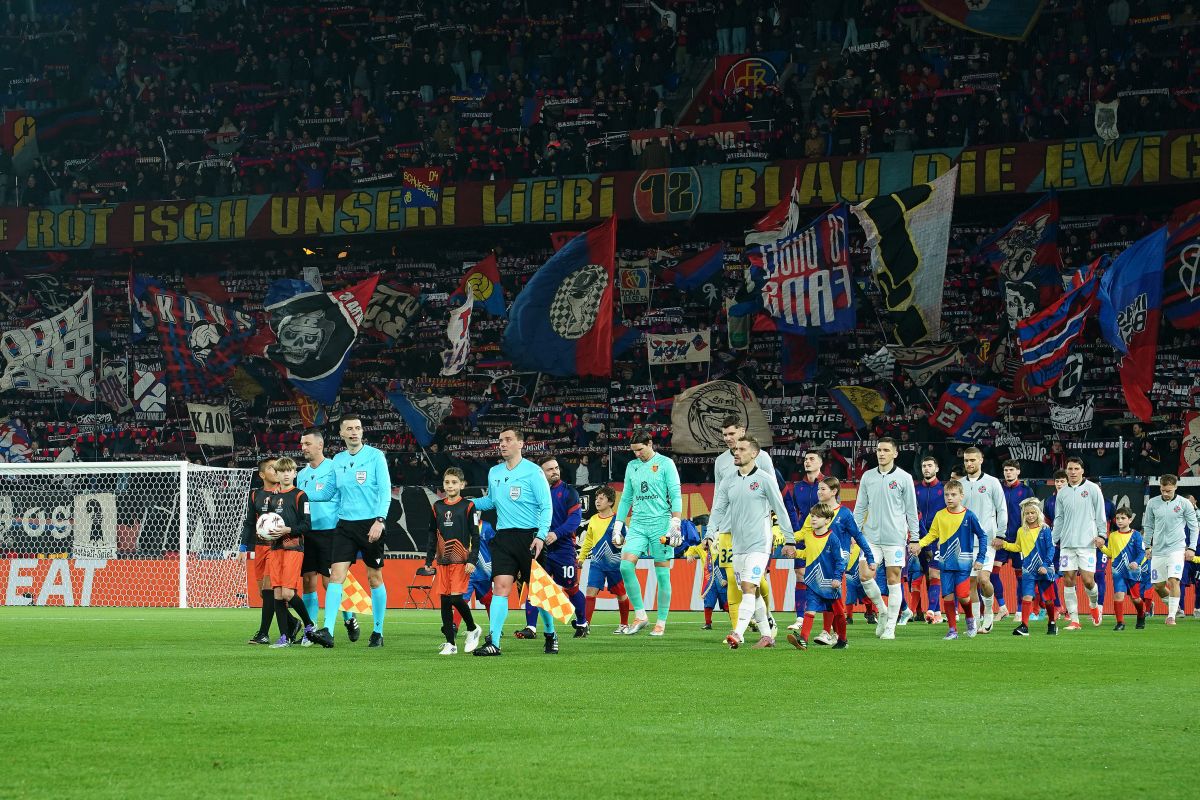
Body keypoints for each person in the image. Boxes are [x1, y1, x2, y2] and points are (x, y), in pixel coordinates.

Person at [470, 427, 553, 656]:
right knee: (500, 588)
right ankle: (494, 643)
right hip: (504, 537)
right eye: (500, 440)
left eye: (507, 440)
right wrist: (465, 504)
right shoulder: (494, 472)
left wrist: (540, 535)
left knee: (537, 592)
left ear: (520, 444)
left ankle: (550, 634)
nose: (502, 444)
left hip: (530, 537)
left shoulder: (534, 472)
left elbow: (547, 506)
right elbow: (491, 502)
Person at [311, 414, 392, 649]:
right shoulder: (337, 460)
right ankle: (327, 630)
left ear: (362, 431)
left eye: (358, 428)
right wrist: (297, 492)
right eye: (350, 428)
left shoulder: (376, 457)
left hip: (371, 524)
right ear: (342, 433)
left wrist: (380, 521)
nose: (354, 432)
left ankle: (378, 631)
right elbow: (327, 493)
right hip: (345, 525)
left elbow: (385, 492)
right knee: (336, 576)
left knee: (374, 577)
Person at [705, 435, 794, 649]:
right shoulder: (728, 480)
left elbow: (780, 510)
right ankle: (766, 635)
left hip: (760, 543)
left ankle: (737, 632)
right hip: (738, 545)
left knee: (747, 586)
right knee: (751, 592)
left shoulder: (764, 479)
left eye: (742, 449)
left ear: (754, 454)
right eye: (736, 449)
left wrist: (789, 539)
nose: (737, 452)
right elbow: (718, 509)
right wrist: (709, 533)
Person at [613, 430, 683, 636]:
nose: (637, 454)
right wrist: (618, 525)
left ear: (650, 443)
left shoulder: (666, 464)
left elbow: (676, 494)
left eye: (640, 450)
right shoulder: (631, 466)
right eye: (634, 451)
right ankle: (641, 615)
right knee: (625, 566)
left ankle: (661, 621)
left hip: (661, 524)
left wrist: (675, 522)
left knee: (662, 574)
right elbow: (626, 498)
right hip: (638, 525)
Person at [711, 416, 777, 634]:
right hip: (728, 529)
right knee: (733, 579)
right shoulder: (720, 462)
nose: (728, 439)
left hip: (757, 528)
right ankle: (737, 630)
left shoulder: (763, 458)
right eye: (725, 435)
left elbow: (774, 492)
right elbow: (718, 497)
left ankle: (766, 618)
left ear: (742, 431)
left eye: (731, 433)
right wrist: (714, 529)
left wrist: (774, 526)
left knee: (758, 581)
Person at [297, 428, 360, 644]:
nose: (302, 448)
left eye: (306, 444)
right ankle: (310, 630)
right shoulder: (301, 474)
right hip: (307, 533)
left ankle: (349, 618)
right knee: (307, 581)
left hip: (331, 532)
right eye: (302, 444)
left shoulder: (335, 468)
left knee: (329, 582)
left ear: (320, 445)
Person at [852, 437, 919, 640]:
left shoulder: (904, 477)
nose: (881, 453)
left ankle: (891, 626)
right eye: (879, 450)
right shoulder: (868, 477)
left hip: (895, 538)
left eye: (886, 450)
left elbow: (911, 510)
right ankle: (882, 610)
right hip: (870, 537)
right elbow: (860, 507)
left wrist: (914, 538)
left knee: (893, 580)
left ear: (895, 454)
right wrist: (855, 532)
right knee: (864, 576)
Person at [514, 456, 586, 638]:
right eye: (549, 469)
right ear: (540, 473)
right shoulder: (532, 493)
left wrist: (556, 533)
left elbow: (575, 520)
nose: (555, 471)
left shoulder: (569, 492)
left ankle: (582, 623)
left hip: (563, 549)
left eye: (556, 468)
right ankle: (531, 628)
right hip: (540, 548)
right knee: (535, 587)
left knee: (570, 588)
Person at [909, 480, 986, 641]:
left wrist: (980, 558)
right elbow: (932, 535)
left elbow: (983, 535)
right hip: (945, 563)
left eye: (953, 495)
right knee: (948, 597)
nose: (949, 498)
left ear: (961, 496)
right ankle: (952, 630)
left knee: (964, 596)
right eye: (946, 495)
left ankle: (970, 620)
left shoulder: (969, 515)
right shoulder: (940, 515)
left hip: (964, 563)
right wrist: (919, 544)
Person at [426, 467, 483, 655]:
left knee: (456, 598)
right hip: (443, 561)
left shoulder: (468, 506)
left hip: (461, 561)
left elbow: (475, 535)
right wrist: (428, 560)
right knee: (444, 602)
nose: (450, 486)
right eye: (447, 482)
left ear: (462, 484)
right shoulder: (437, 507)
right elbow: (432, 535)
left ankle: (473, 628)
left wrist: (472, 559)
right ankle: (450, 644)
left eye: (454, 482)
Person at [260, 458, 315, 647]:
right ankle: (285, 637)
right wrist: (266, 533)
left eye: (288, 471)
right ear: (276, 474)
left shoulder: (301, 495)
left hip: (293, 547)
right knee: (277, 594)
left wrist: (287, 530)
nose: (285, 474)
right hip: (275, 549)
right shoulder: (272, 498)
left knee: (288, 593)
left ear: (294, 473)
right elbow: (267, 523)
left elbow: (307, 525)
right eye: (281, 471)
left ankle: (309, 626)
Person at [1050, 456, 1107, 631]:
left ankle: (1094, 605)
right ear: (1066, 471)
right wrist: (1053, 540)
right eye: (1070, 469)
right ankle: (1074, 620)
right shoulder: (1062, 492)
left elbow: (1100, 513)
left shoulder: (1092, 489)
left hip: (1087, 543)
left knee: (1089, 581)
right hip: (1067, 544)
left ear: (1082, 471)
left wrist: (1102, 535)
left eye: (1076, 469)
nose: (1073, 472)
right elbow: (1058, 518)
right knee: (1068, 580)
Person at [241, 458, 294, 644]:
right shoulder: (255, 495)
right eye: (272, 468)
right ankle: (293, 622)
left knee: (270, 589)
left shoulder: (286, 493)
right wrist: (242, 546)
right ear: (262, 474)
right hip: (259, 547)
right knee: (265, 594)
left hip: (277, 547)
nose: (276, 470)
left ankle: (264, 633)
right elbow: (249, 522)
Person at [786, 504, 848, 650]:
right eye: (812, 516)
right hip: (813, 582)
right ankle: (803, 639)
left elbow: (840, 560)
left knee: (839, 614)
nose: (813, 519)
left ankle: (843, 640)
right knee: (810, 610)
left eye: (818, 516)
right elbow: (809, 553)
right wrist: (796, 554)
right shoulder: (808, 536)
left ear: (827, 520)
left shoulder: (833, 538)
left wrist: (837, 578)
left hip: (830, 583)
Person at [993, 497, 1058, 637]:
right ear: (1023, 515)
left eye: (1032, 513)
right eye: (1027, 513)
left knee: (1047, 599)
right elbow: (1017, 547)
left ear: (1038, 513)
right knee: (1027, 596)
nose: (1030, 516)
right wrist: (1003, 544)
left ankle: (1052, 623)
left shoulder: (1045, 529)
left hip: (1044, 568)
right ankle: (1024, 626)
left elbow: (1051, 549)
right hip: (1028, 568)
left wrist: (1046, 565)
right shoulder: (1021, 531)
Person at [961, 446, 1007, 633]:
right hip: (965, 542)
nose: (969, 463)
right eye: (966, 460)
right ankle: (974, 623)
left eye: (973, 460)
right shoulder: (959, 484)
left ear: (981, 460)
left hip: (986, 541)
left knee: (983, 578)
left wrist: (1001, 534)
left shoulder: (992, 482)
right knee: (970, 584)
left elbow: (1001, 509)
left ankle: (989, 612)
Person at [1143, 473, 1199, 625]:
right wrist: (1147, 545)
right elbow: (1148, 526)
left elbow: (1194, 527)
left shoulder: (1184, 504)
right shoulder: (1153, 503)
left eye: (1169, 490)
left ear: (1175, 487)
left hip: (1177, 548)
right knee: (1158, 586)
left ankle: (1171, 616)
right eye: (1163, 490)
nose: (1165, 494)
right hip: (1158, 550)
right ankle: (1175, 607)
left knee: (1173, 580)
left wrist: (1192, 548)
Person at [578, 486, 633, 634]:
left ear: (610, 502)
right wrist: (581, 558)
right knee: (590, 591)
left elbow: (627, 542)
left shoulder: (618, 521)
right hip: (596, 563)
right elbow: (588, 540)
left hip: (615, 564)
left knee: (621, 594)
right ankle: (585, 626)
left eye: (601, 498)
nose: (597, 501)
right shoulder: (594, 519)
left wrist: (621, 542)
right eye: (596, 498)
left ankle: (624, 625)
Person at [787, 449, 823, 632]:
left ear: (820, 463)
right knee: (800, 575)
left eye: (811, 459)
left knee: (825, 578)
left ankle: (829, 623)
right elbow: (792, 510)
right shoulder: (798, 487)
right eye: (806, 459)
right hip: (802, 535)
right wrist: (793, 533)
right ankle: (800, 618)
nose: (807, 462)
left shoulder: (827, 484)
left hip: (823, 536)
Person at [1102, 507, 1147, 631]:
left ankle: (1141, 614)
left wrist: (1136, 563)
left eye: (1123, 518)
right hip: (1118, 570)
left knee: (1136, 598)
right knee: (1118, 595)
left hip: (1133, 571)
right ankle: (1120, 623)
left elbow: (1141, 552)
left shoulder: (1136, 535)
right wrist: (1101, 547)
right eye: (1117, 518)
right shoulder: (1112, 536)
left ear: (1130, 520)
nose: (1119, 521)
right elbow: (1110, 553)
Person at [1000, 459, 1034, 620]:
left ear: (1018, 472)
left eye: (1011, 470)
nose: (1008, 473)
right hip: (1001, 537)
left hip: (1019, 539)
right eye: (1006, 470)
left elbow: (1033, 514)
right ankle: (1001, 606)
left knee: (1021, 575)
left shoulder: (1026, 491)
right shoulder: (998, 489)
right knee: (991, 572)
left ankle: (1020, 611)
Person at [914, 456, 946, 623]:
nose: (926, 469)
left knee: (935, 573)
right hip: (918, 538)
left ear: (937, 468)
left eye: (929, 466)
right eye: (924, 466)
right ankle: (938, 612)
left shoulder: (944, 489)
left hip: (937, 538)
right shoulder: (916, 490)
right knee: (923, 574)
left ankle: (931, 610)